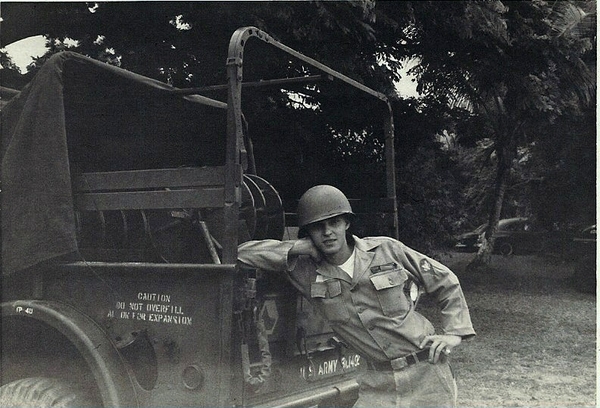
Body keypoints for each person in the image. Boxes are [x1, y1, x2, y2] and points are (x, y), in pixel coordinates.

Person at [238, 185, 475, 407]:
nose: (328, 232)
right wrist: (296, 248)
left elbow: (444, 280)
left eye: (335, 222)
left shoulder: (385, 250)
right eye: (318, 226)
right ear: (308, 233)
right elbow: (240, 254)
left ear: (346, 224)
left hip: (426, 375)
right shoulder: (304, 271)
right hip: (376, 383)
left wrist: (455, 333)